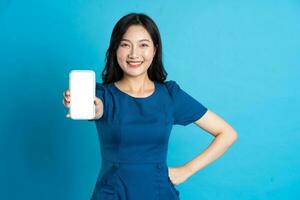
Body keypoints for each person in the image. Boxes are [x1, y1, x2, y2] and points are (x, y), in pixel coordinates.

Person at [63, 13, 238, 200]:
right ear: (115, 49)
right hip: (113, 194)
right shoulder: (102, 96)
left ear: (154, 50)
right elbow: (96, 109)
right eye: (125, 44)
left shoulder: (171, 96)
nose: (133, 54)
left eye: (143, 45)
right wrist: (89, 107)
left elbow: (227, 133)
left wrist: (187, 170)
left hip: (160, 193)